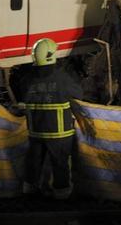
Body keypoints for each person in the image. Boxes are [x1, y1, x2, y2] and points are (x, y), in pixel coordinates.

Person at [20, 38, 84, 199]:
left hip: (36, 132)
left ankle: (29, 192)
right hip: (59, 133)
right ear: (51, 55)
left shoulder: (28, 79)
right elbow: (79, 94)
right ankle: (62, 195)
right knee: (60, 164)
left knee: (33, 162)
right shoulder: (62, 78)